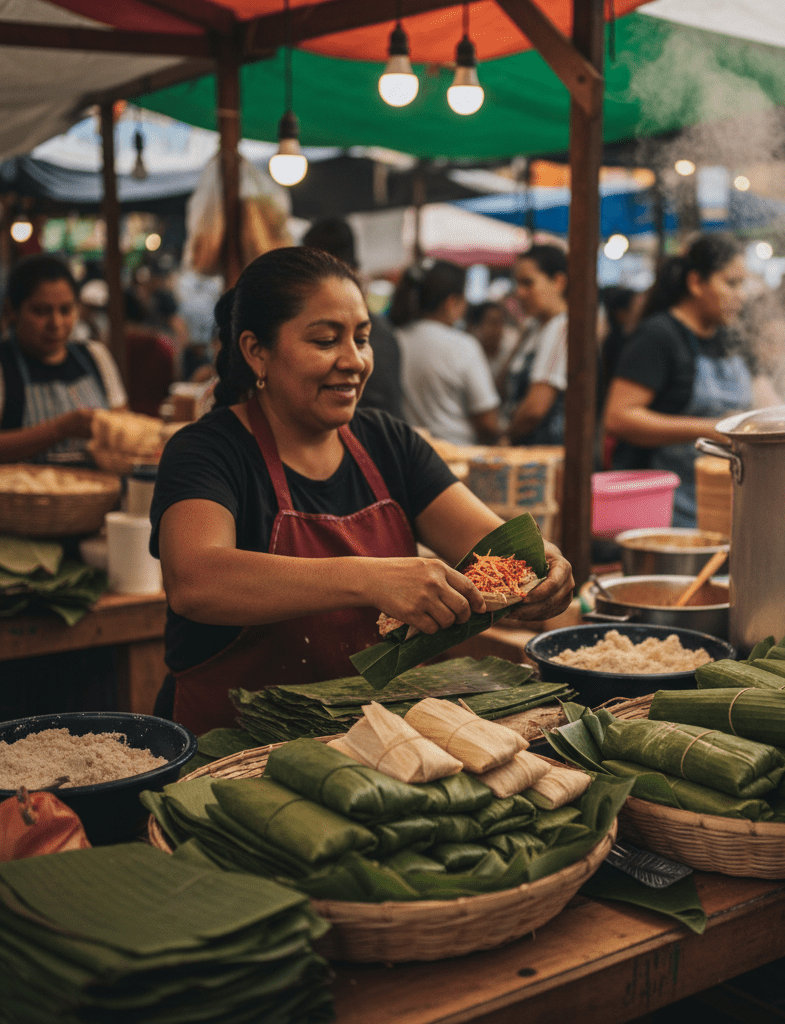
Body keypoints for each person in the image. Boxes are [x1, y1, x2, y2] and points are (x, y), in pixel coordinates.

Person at [150, 247, 572, 734]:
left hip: (371, 741)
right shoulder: (207, 450)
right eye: (326, 340)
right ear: (255, 351)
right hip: (235, 747)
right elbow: (195, 581)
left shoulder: (388, 442)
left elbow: (490, 545)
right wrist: (370, 579)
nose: (353, 361)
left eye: (363, 339)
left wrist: (543, 566)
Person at [603, 234, 752, 528]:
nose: (741, 295)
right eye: (731, 283)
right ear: (696, 283)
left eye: (742, 285)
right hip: (666, 515)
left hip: (723, 509)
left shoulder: (731, 338)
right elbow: (618, 418)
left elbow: (766, 397)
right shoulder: (659, 337)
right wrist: (710, 428)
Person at [0, 253, 127, 464]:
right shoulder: (4, 365)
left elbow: (122, 427)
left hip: (97, 493)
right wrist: (60, 429)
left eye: (66, 310)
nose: (56, 323)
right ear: (12, 310)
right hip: (22, 495)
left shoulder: (95, 355)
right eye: (41, 311)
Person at [302, 217, 404, 418]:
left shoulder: (378, 335)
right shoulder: (379, 329)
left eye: (360, 340)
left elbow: (381, 411)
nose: (354, 363)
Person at [391, 260, 501, 445]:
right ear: (452, 302)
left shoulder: (395, 339)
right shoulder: (462, 345)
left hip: (408, 454)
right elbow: (488, 422)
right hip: (457, 455)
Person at [503, 245, 569, 446]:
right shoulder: (536, 327)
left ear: (558, 282)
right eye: (516, 284)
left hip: (543, 450)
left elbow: (535, 408)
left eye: (528, 283)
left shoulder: (563, 327)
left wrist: (505, 438)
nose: (519, 293)